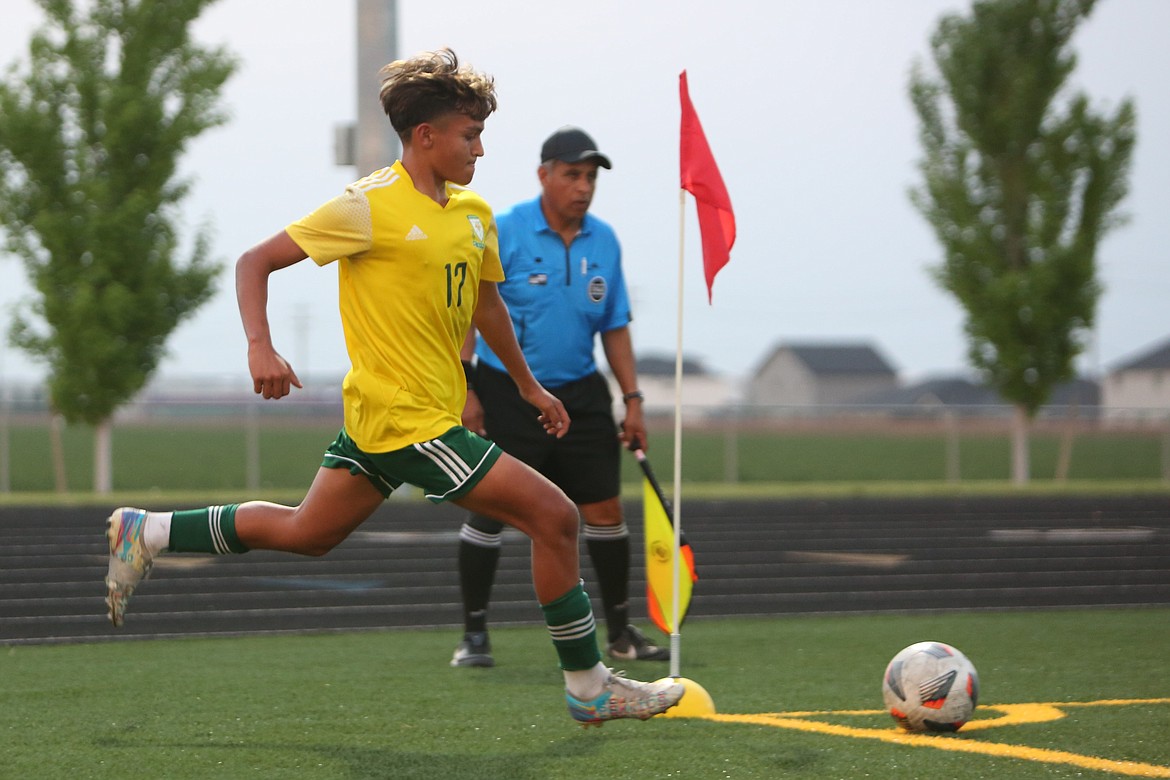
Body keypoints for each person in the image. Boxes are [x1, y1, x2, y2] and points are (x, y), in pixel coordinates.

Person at [103, 48, 681, 726]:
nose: (481, 148)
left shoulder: (473, 214)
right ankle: (589, 688)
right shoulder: (366, 206)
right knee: (554, 516)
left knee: (307, 532)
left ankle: (149, 532)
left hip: (392, 422)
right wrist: (260, 345)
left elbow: (486, 306)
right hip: (407, 421)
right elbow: (255, 261)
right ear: (426, 136)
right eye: (470, 135)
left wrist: (527, 386)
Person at [450, 126, 669, 669]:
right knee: (490, 511)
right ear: (544, 174)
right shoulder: (503, 230)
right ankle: (474, 637)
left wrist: (633, 399)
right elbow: (469, 314)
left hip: (581, 394)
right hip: (509, 392)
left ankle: (619, 633)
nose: (584, 186)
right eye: (572, 174)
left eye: (591, 176)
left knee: (605, 510)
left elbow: (614, 325)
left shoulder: (605, 241)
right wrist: (468, 388)